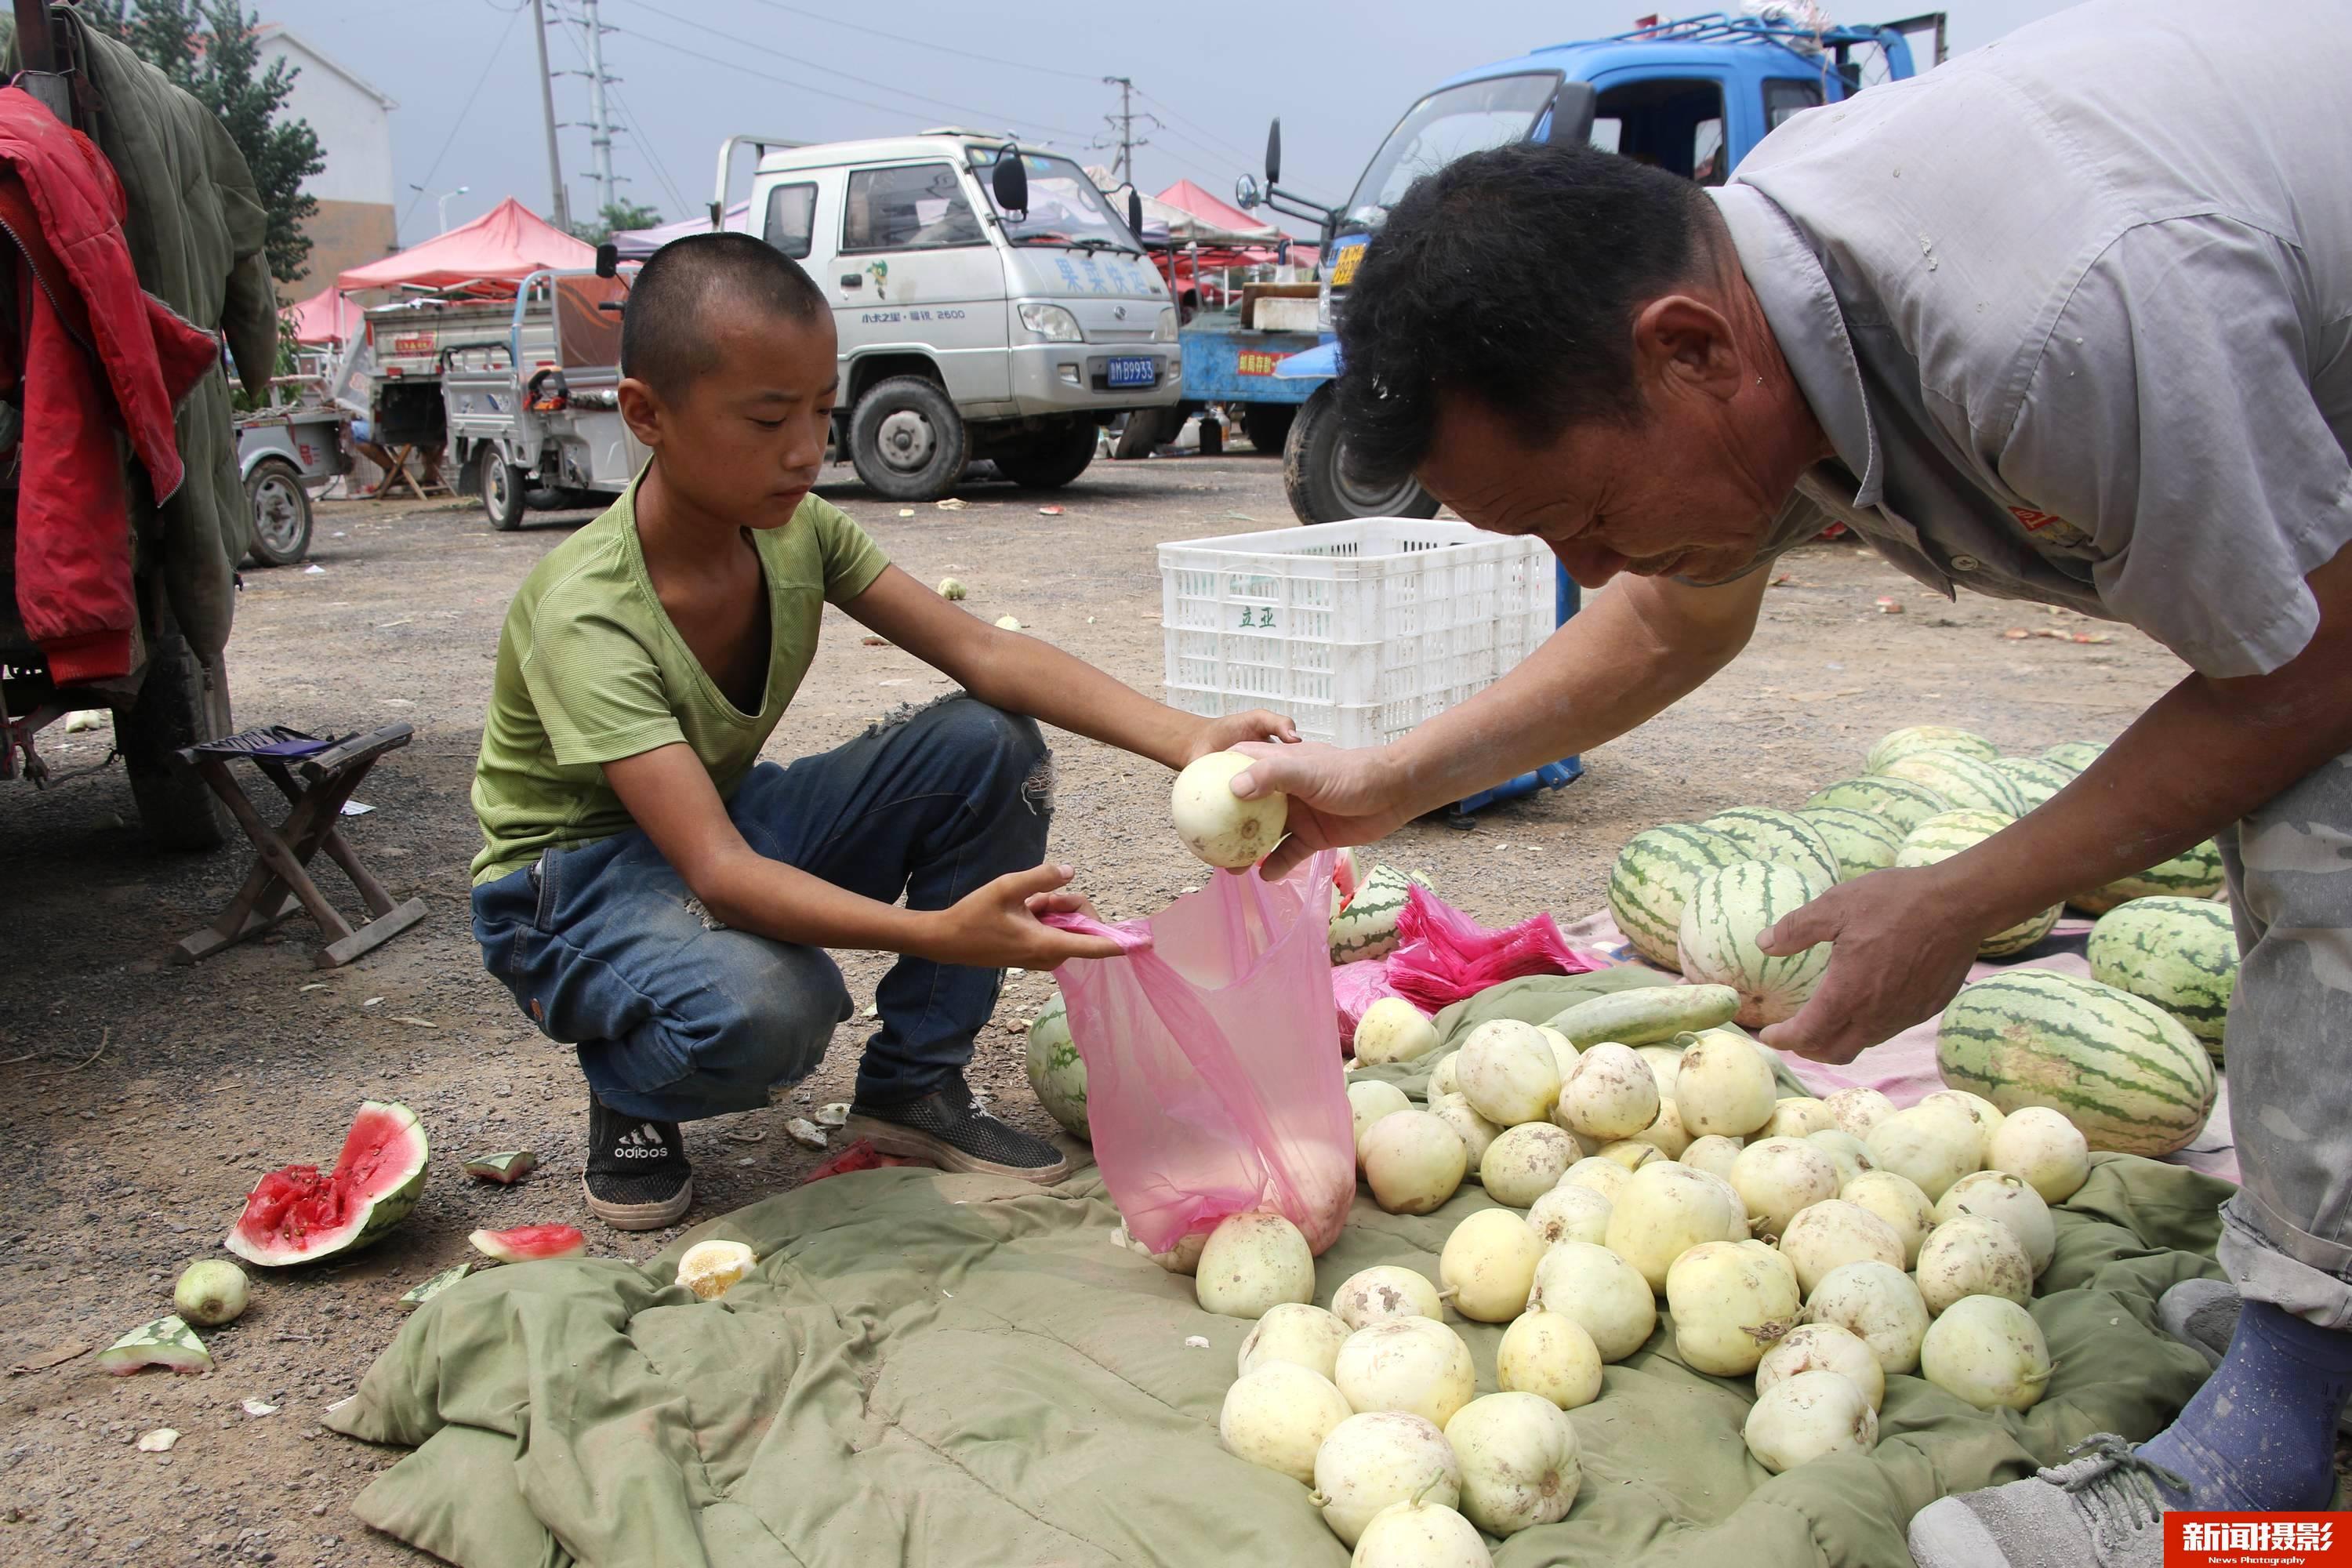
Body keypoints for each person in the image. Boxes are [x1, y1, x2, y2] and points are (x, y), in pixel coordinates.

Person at [1229, 3, 2352, 1563]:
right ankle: (2321, 1291)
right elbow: (1677, 605)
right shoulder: (1777, 297)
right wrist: (1388, 781)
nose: (1590, 567)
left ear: (1687, 349)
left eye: (1584, 515)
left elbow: (2308, 665)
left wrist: (1965, 894)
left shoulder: (2051, 323)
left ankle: (2278, 1454)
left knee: (2325, 835)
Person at [467, 232, 1290, 1231]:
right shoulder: (588, 611)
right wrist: (937, 934)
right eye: (769, 418)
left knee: (992, 740)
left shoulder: (796, 528)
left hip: (709, 824)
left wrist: (1191, 737)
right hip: (571, 885)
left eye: (822, 410)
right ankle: (632, 1073)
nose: (807, 450)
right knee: (777, 1007)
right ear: (647, 413)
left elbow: (984, 654)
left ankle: (914, 1088)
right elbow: (722, 873)